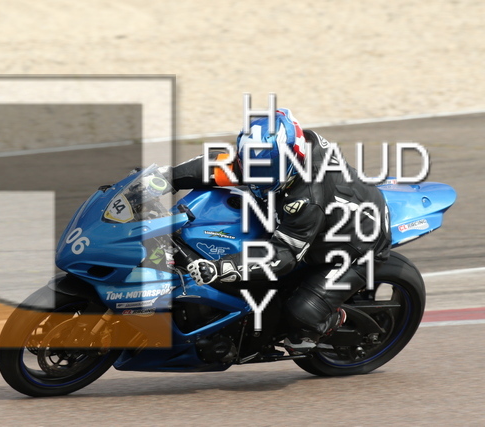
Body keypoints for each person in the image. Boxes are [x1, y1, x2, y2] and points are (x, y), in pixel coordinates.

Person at [164, 109, 392, 354]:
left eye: (265, 172)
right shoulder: (277, 156)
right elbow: (220, 165)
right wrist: (164, 178)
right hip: (316, 221)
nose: (255, 178)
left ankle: (333, 319)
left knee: (301, 316)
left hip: (357, 247)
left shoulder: (307, 197)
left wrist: (222, 268)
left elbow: (284, 255)